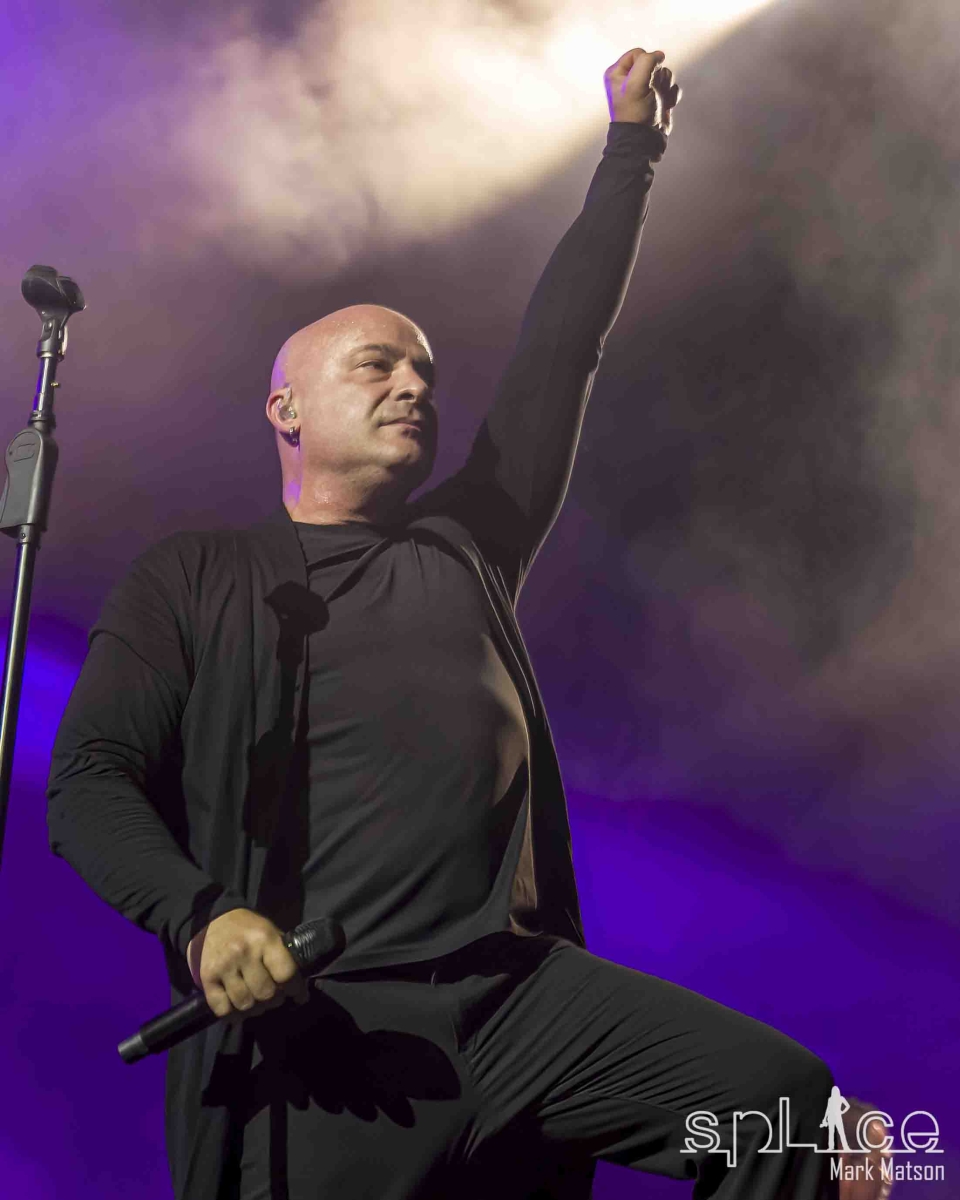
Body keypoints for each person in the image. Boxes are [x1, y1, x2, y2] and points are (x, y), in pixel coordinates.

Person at [47, 47, 840, 1200]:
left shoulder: (467, 542)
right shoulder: (199, 575)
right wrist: (202, 919)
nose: (415, 385)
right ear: (285, 407)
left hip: (521, 1004)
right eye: (377, 366)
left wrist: (631, 151)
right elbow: (89, 781)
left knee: (787, 1110)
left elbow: (561, 350)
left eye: (423, 372)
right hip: (330, 1036)